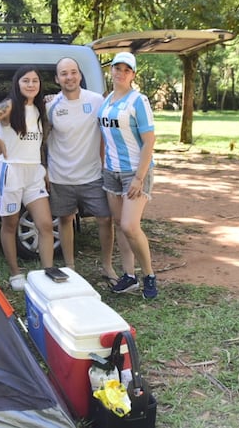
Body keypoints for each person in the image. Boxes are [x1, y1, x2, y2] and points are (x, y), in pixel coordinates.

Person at [0, 66, 55, 291]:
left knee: (45, 224)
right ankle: (16, 274)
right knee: (10, 224)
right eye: (26, 80)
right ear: (17, 83)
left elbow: (39, 142)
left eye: (35, 81)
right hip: (10, 172)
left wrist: (43, 168)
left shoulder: (39, 108)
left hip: (34, 173)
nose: (31, 85)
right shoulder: (9, 106)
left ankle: (48, 272)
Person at [46, 57, 129, 285]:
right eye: (63, 73)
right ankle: (70, 267)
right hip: (60, 175)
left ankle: (107, 266)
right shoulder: (50, 105)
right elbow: (42, 138)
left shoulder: (96, 101)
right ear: (57, 78)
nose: (69, 77)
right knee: (65, 219)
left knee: (105, 219)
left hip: (92, 174)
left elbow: (110, 132)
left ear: (79, 75)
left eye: (73, 72)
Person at [98, 52, 158, 299]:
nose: (120, 73)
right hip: (111, 171)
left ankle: (149, 276)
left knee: (130, 226)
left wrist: (139, 178)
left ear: (133, 74)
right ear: (110, 71)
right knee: (120, 227)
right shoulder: (107, 99)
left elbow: (149, 141)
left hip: (135, 172)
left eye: (126, 70)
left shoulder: (138, 101)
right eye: (116, 68)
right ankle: (129, 275)